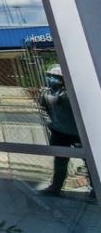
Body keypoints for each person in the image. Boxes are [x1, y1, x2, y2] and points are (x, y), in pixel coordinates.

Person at [37, 65, 87, 195]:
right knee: (60, 161)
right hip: (58, 133)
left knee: (88, 160)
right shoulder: (46, 93)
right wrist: (49, 122)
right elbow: (42, 109)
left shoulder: (71, 93)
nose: (51, 79)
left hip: (77, 133)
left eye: (55, 77)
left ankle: (96, 188)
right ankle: (55, 187)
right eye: (50, 77)